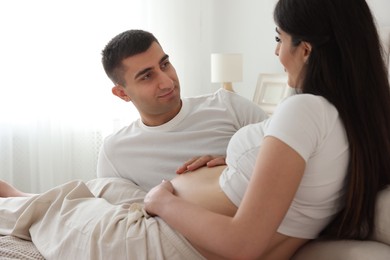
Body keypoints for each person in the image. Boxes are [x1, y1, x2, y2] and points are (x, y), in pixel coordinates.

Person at [1, 0, 390, 259]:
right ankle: (25, 194)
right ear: (122, 92)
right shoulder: (348, 117)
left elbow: (244, 242)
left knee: (57, 214)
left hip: (164, 235)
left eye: (279, 39)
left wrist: (162, 202)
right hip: (167, 218)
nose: (275, 52)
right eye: (147, 75)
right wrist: (238, 164)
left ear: (305, 49)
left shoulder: (302, 109)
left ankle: (16, 199)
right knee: (97, 188)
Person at [97, 29, 268, 191]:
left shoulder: (230, 106)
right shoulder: (114, 153)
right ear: (122, 93)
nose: (167, 83)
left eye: (164, 65)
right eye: (147, 76)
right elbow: (119, 218)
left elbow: (289, 161)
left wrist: (233, 166)